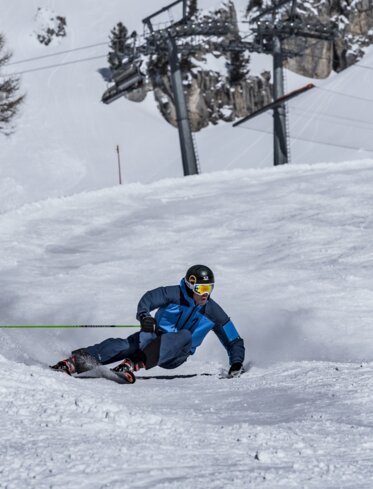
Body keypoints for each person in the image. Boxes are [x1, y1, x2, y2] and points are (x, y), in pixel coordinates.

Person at [51, 265, 245, 379]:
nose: (205, 294)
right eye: (201, 288)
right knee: (124, 345)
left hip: (176, 353)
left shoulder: (213, 312)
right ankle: (76, 362)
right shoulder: (173, 294)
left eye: (209, 288)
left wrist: (236, 363)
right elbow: (149, 299)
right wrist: (145, 316)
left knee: (185, 335)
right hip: (154, 337)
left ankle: (136, 362)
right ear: (189, 285)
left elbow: (233, 339)